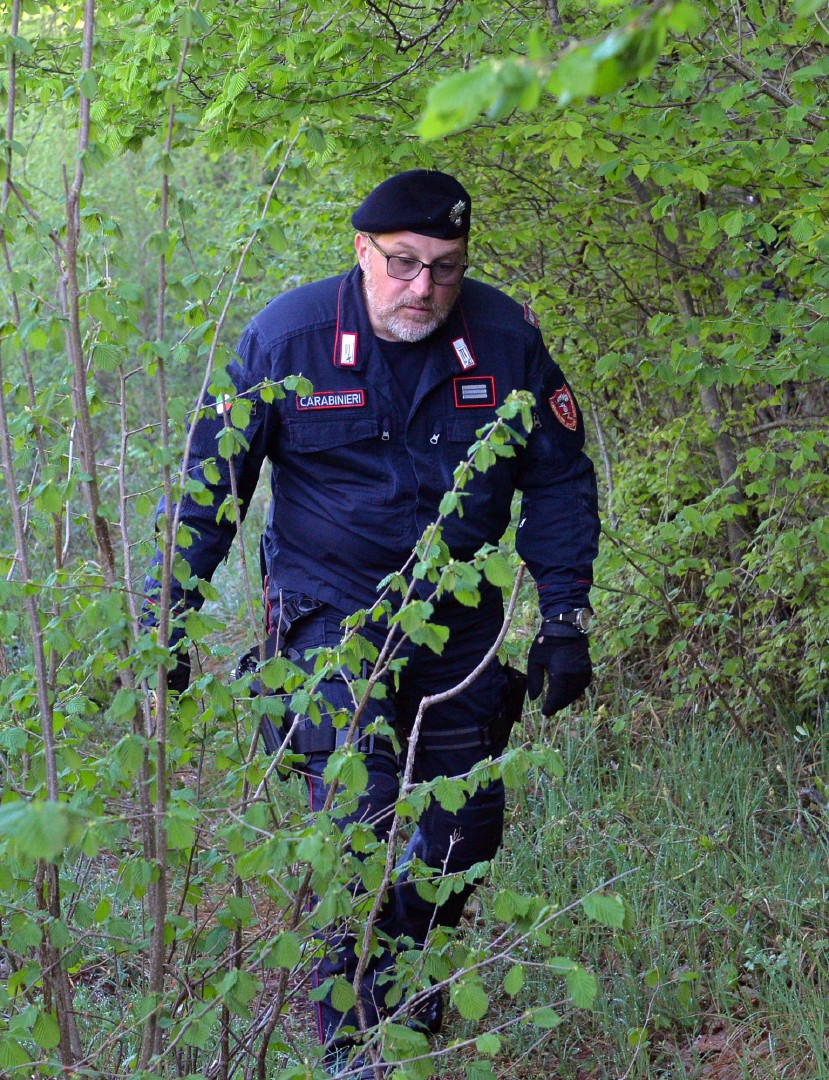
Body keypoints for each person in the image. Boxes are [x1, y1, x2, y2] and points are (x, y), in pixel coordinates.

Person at [143, 169, 600, 1075]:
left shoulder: (505, 337)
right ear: (361, 251)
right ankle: (350, 1039)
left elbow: (556, 478)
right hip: (327, 618)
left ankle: (404, 968)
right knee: (355, 816)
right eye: (402, 264)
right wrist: (173, 609)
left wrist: (564, 617)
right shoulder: (289, 338)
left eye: (445, 268)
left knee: (468, 826)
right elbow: (214, 487)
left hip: (458, 626)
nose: (423, 288)